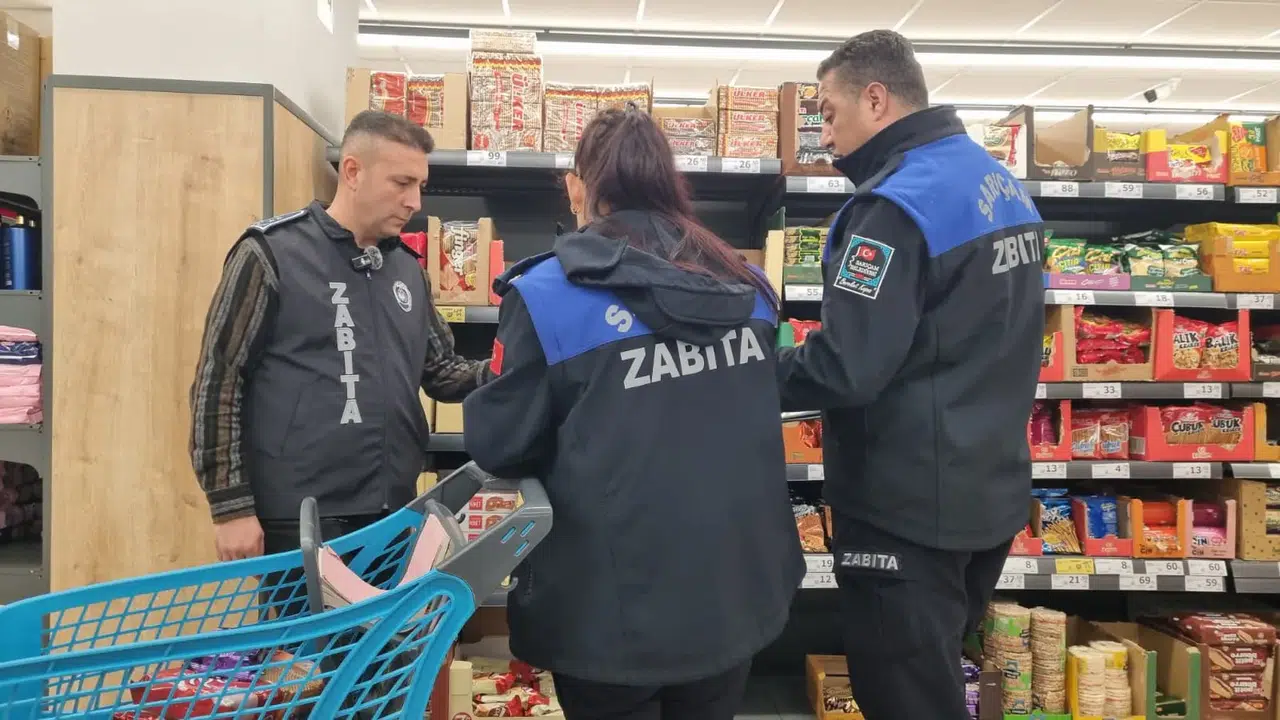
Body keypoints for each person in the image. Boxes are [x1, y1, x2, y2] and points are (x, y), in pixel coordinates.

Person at [461, 104, 804, 720]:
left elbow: (501, 444)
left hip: (610, 609)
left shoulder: (547, 297)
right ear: (668, 181)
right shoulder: (748, 286)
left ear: (578, 187)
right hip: (734, 591)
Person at [774, 30, 1044, 719]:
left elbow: (846, 367)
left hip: (907, 512)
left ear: (875, 98)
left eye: (828, 113)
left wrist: (748, 372)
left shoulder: (894, 208)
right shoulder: (996, 182)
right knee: (936, 680)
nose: (823, 134)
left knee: (905, 698)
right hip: (987, 495)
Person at [189, 110, 489, 571]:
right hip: (300, 518)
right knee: (309, 626)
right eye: (401, 183)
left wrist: (506, 368)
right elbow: (219, 380)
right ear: (352, 171)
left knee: (389, 624)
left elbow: (441, 371)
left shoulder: (407, 269)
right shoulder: (272, 253)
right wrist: (230, 507)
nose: (414, 201)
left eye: (420, 186)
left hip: (393, 513)